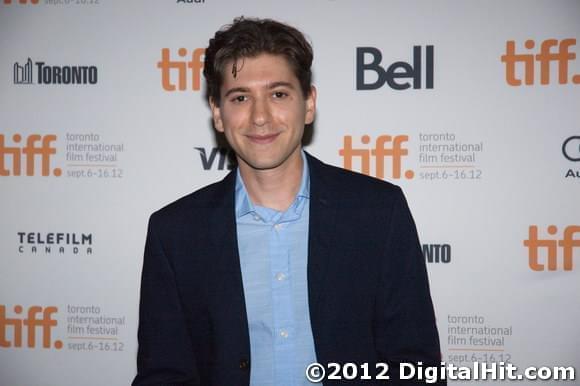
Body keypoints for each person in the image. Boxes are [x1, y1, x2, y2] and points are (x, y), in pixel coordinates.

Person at [133, 17, 443, 386]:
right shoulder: (176, 233)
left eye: (278, 94)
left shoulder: (378, 212)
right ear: (218, 113)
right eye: (240, 97)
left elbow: (415, 369)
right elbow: (164, 376)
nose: (260, 117)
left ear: (308, 104)